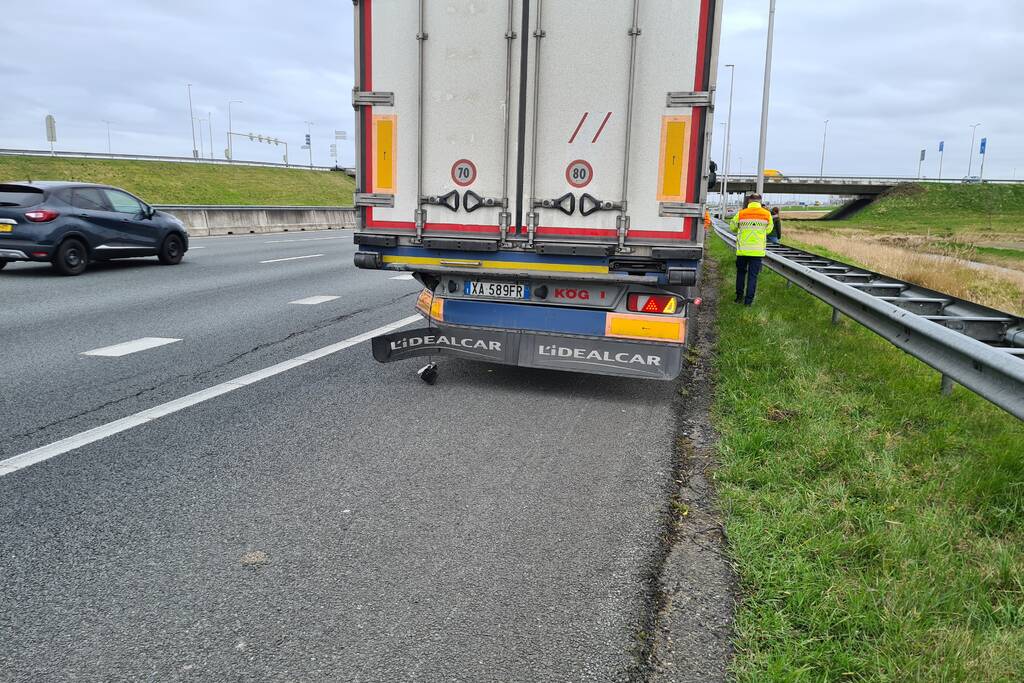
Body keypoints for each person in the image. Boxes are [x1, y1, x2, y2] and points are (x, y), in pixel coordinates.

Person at [728, 193, 773, 306]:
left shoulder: (741, 213)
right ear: (760, 201)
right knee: (753, 276)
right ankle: (748, 302)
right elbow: (769, 230)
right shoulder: (766, 214)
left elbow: (732, 227)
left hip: (742, 250)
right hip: (757, 251)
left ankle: (738, 297)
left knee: (741, 273)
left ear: (749, 201)